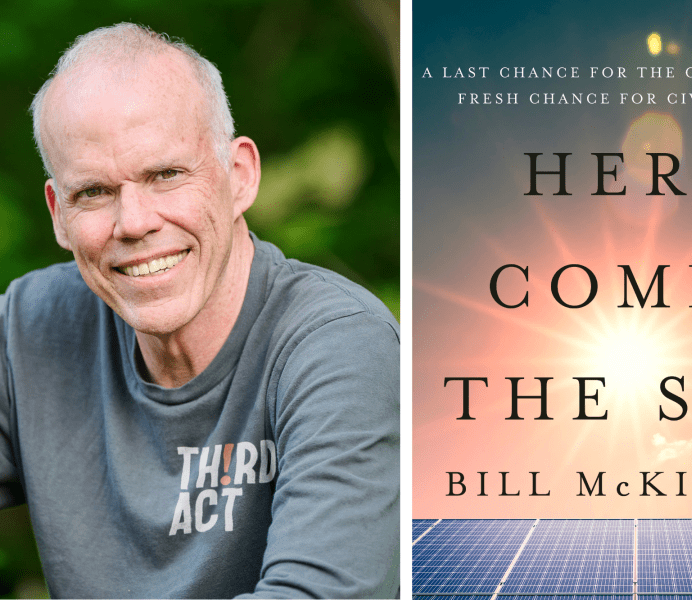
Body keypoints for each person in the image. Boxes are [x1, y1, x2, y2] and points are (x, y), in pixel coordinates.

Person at [0, 23, 399, 599]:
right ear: (58, 213)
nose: (134, 222)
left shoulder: (338, 346)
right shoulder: (33, 329)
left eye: (166, 175)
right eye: (93, 192)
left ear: (240, 177)